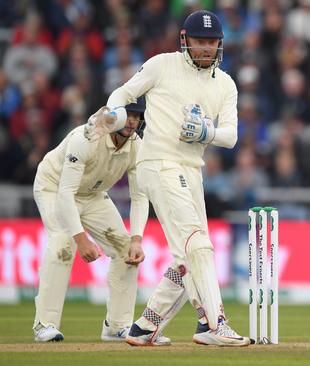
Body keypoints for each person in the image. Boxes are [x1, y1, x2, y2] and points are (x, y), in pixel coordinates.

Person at [84, 10, 249, 347]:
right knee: (197, 244)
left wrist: (207, 131)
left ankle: (146, 327)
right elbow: (123, 94)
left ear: (220, 44)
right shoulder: (162, 65)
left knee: (186, 257)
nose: (205, 48)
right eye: (200, 41)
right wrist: (114, 117)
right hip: (158, 162)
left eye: (211, 42)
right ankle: (215, 324)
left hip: (191, 168)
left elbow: (230, 136)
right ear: (185, 41)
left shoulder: (226, 84)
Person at [32, 98, 156, 343]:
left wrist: (136, 239)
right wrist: (81, 239)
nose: (133, 121)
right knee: (62, 245)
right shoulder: (87, 137)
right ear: (115, 114)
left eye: (137, 116)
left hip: (92, 195)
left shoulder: (137, 147)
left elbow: (140, 195)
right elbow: (66, 193)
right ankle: (44, 325)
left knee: (125, 250)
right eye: (129, 114)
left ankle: (117, 326)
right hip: (54, 187)